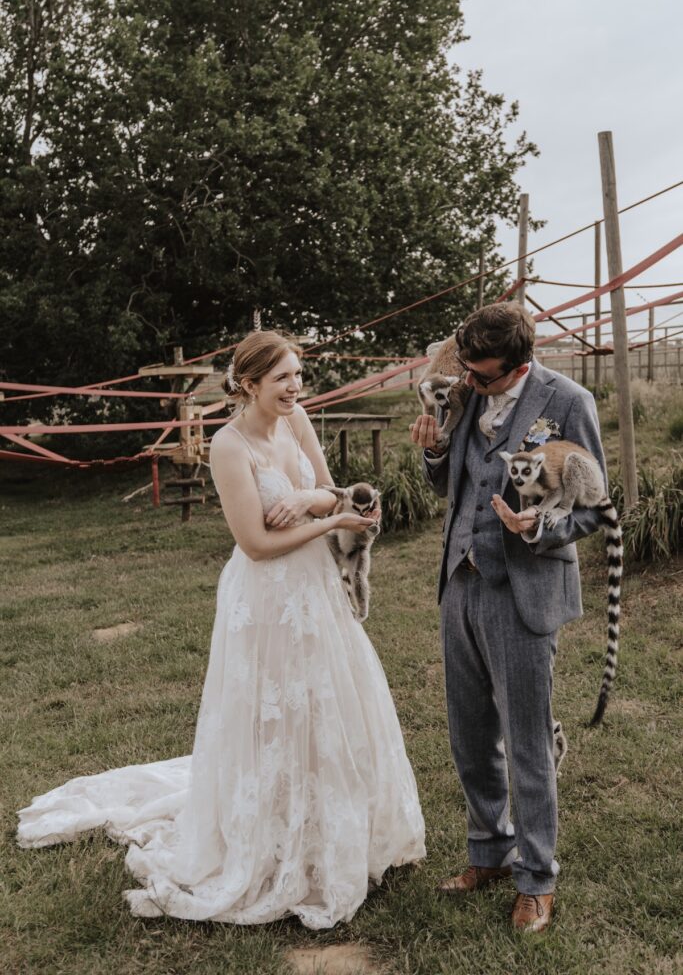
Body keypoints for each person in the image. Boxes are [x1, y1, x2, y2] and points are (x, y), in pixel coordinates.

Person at [18, 331, 425, 928]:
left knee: (326, 703)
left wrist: (324, 500)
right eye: (284, 378)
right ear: (250, 382)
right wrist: (328, 517)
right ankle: (269, 837)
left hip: (314, 590)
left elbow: (329, 487)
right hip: (265, 598)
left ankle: (331, 832)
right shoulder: (229, 447)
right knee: (273, 711)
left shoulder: (298, 420)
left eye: (298, 376)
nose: (296, 387)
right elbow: (257, 544)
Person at [410, 302, 606, 933]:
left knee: (527, 741)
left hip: (523, 591)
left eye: (485, 375)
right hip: (460, 586)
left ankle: (536, 877)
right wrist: (435, 450)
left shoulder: (568, 401)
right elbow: (450, 488)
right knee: (469, 736)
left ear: (520, 365)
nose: (471, 381)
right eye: (468, 369)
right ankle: (490, 851)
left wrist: (541, 525)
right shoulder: (467, 392)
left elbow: (597, 508)